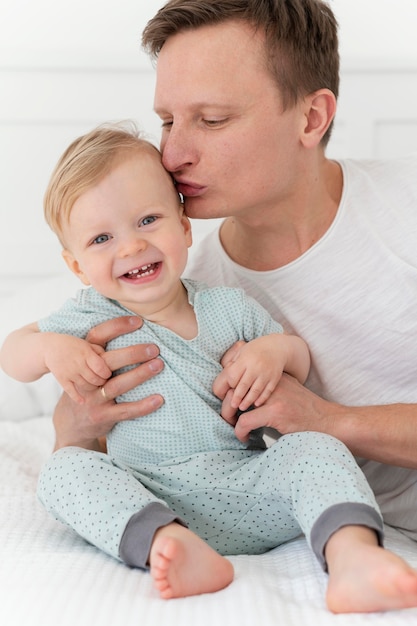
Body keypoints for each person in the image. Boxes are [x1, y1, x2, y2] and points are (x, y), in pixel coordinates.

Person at [3, 124, 417, 613]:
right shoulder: (88, 316)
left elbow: (297, 358)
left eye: (148, 220)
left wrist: (275, 353)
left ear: (182, 228)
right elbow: (13, 353)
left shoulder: (227, 305)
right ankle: (170, 548)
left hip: (249, 484)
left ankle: (353, 558)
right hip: (150, 492)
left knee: (314, 447)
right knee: (64, 472)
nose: (131, 247)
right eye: (101, 238)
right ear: (76, 267)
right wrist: (51, 348)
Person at [51, 0, 417, 539]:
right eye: (168, 121)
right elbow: (118, 452)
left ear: (311, 118)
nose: (173, 154)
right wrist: (75, 427)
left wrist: (329, 422)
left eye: (213, 119)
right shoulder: (179, 293)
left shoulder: (404, 208)